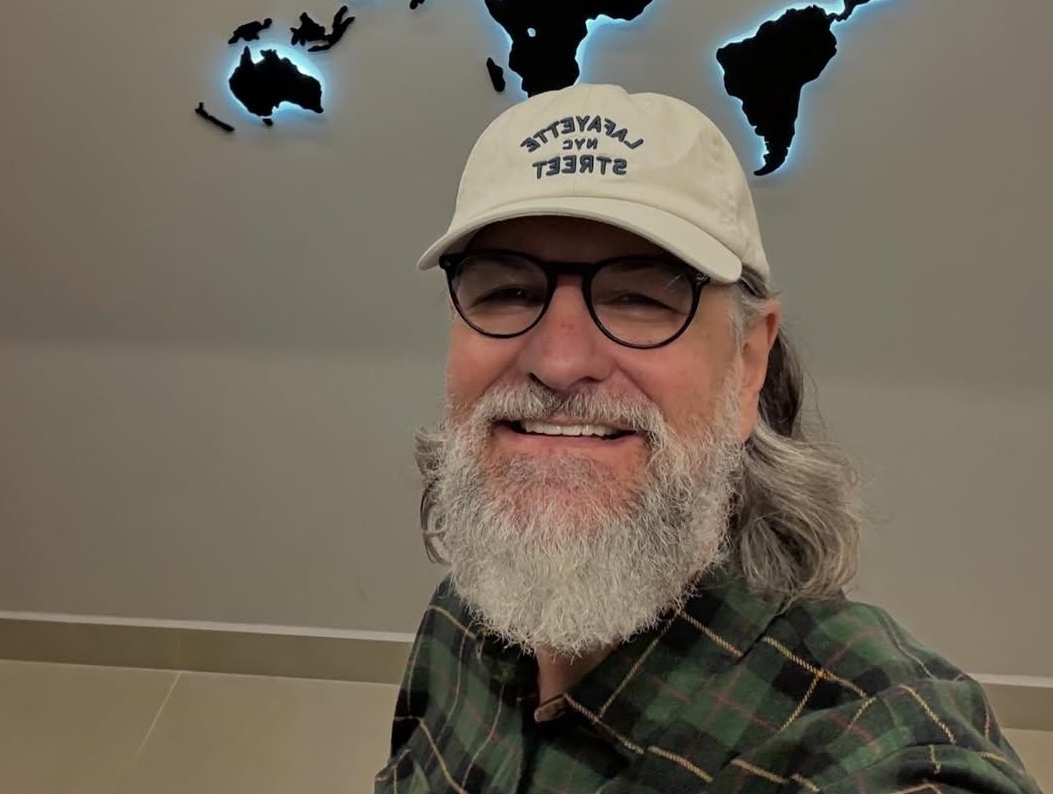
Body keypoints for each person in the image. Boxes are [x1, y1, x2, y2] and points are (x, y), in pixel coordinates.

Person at [375, 83, 1040, 794]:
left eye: (639, 297)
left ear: (748, 363)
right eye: (507, 290)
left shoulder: (870, 742)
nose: (561, 362)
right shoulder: (460, 621)